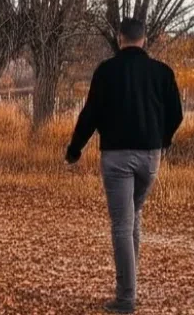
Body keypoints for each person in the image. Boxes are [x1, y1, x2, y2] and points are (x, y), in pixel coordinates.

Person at [66, 17, 183, 314]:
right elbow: (176, 114)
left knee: (121, 224)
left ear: (120, 38)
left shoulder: (106, 72)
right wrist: (162, 140)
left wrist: (75, 149)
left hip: (116, 157)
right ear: (144, 39)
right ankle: (129, 285)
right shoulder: (162, 73)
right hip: (150, 157)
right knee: (134, 216)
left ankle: (126, 298)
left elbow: (90, 114)